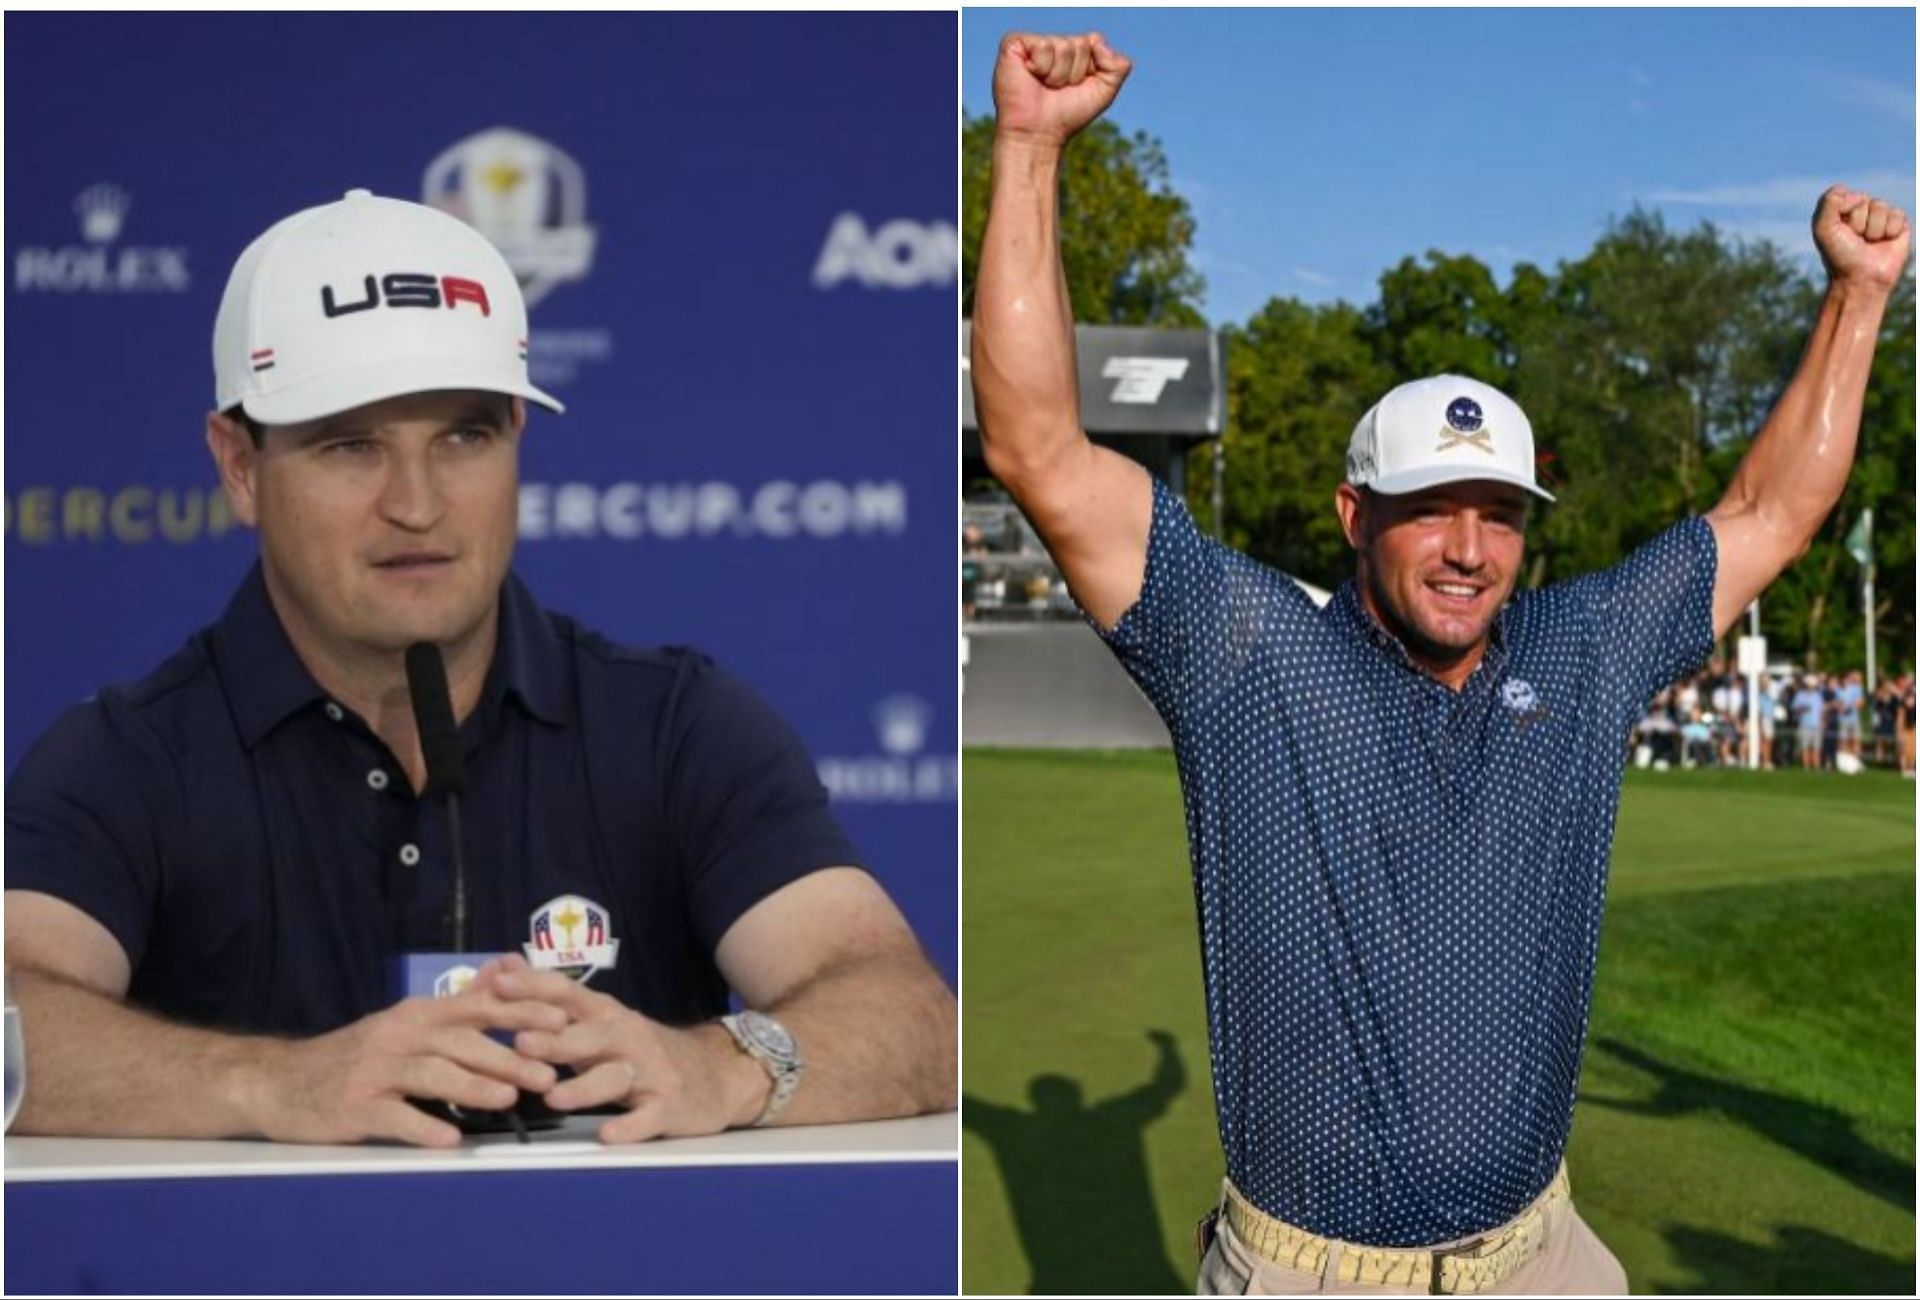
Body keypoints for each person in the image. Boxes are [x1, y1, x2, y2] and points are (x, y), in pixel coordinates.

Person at [970, 30, 1909, 1296]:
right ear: (1356, 515)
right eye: (1431, 507)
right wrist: (1029, 147)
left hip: (1544, 1255)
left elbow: (1771, 512)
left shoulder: (1578, 652)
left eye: (1501, 510)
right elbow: (1035, 444)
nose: (1469, 547)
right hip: (1314, 1272)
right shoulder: (1252, 655)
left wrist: (1858, 296)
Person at [4, 190, 956, 1148]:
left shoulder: (676, 724)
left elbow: (912, 1016)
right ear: (240, 468)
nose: (417, 504)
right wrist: (274, 1085)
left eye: (464, 436)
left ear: (517, 440)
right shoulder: (127, 756)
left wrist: (723, 1066)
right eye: (350, 445)